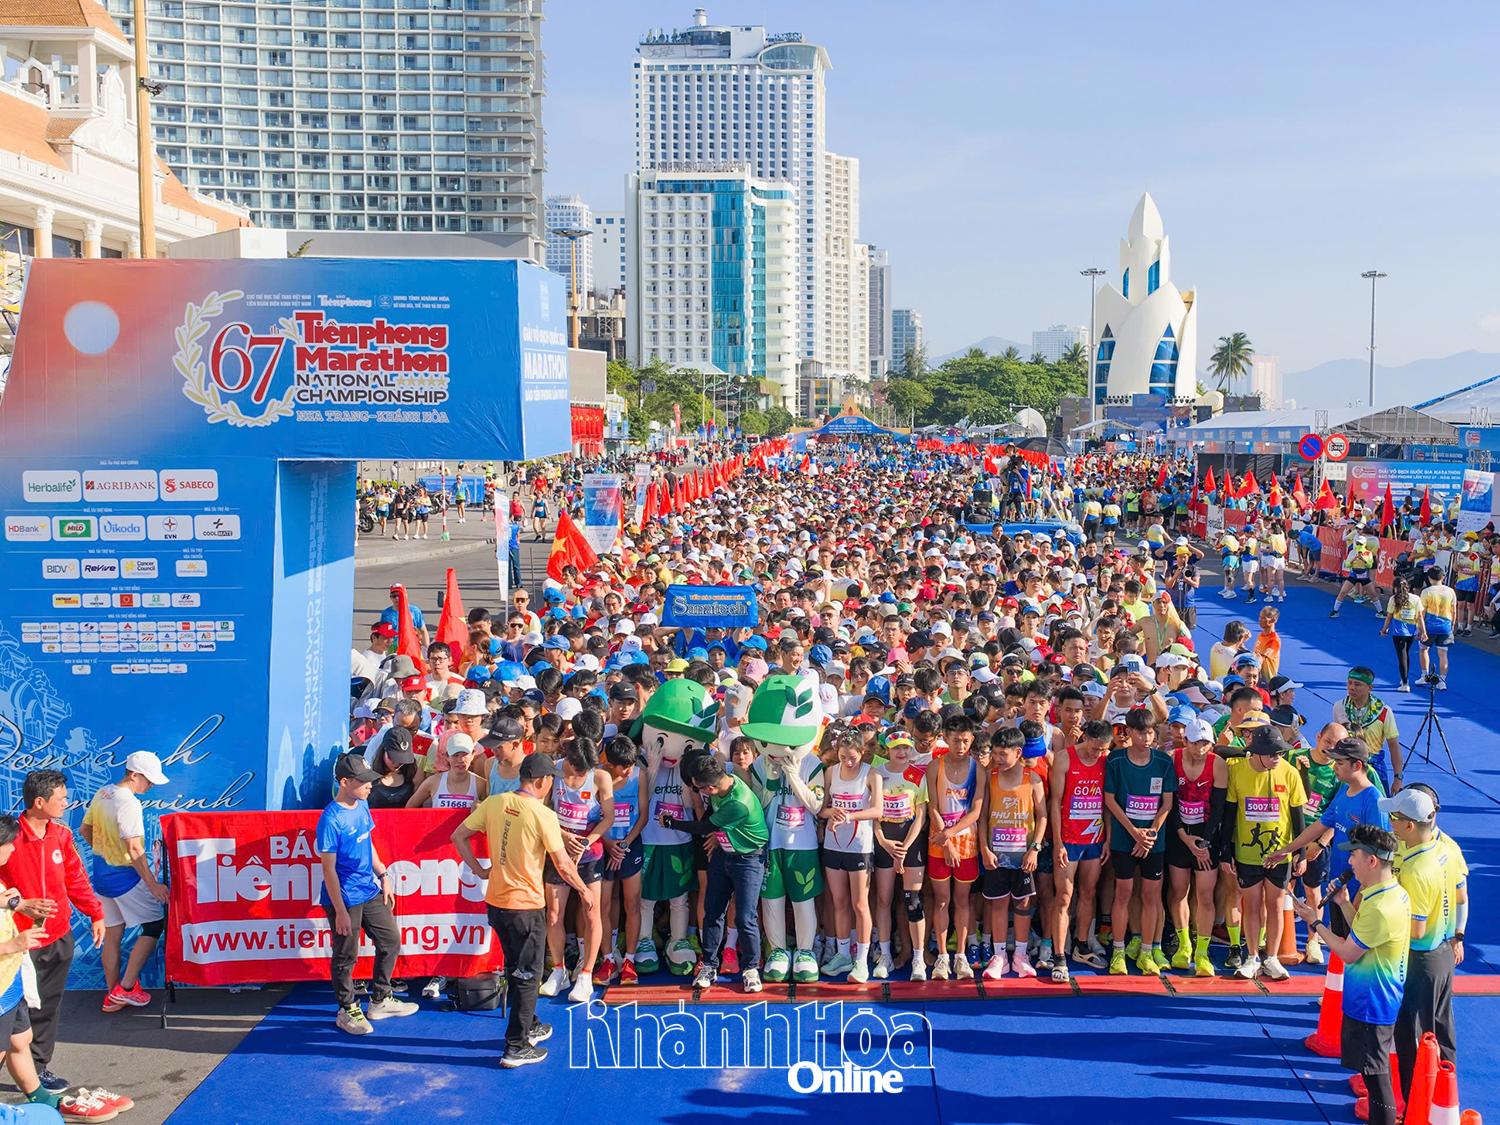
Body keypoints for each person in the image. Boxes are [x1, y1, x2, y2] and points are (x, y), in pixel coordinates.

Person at [453, 752, 588, 1069]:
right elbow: (564, 865)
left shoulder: (496, 802)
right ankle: (516, 1045)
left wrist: (479, 870)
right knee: (528, 974)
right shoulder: (543, 815)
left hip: (496, 904)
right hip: (525, 907)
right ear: (542, 782)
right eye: (551, 780)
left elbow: (458, 836)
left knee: (517, 967)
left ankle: (531, 1023)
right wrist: (584, 892)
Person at [0, 815, 129, 1122]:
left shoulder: (55, 838)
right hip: (5, 973)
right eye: (8, 845)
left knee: (21, 1039)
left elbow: (9, 897)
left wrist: (18, 904)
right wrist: (13, 945)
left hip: (12, 977)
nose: (12, 851)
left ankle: (42, 1097)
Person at [1290, 824, 1410, 1125]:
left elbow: (1347, 952)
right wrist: (1343, 903)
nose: (1350, 862)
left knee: (1376, 1074)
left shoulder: (1382, 906)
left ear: (1372, 860)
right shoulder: (1383, 894)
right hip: (1374, 998)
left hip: (1372, 1003)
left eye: (1354, 855)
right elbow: (1362, 933)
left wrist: (1315, 923)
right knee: (1372, 1072)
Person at [0, 771, 104, 1093]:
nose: (66, 802)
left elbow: (75, 877)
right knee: (13, 1012)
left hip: (58, 935)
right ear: (40, 801)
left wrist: (95, 913)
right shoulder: (9, 838)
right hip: (17, 942)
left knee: (47, 1006)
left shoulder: (61, 834)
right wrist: (20, 903)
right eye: (61, 798)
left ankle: (39, 1069)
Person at [317, 753, 419, 1036]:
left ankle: (380, 999)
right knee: (345, 955)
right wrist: (338, 910)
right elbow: (328, 871)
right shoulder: (330, 819)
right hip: (344, 898)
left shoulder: (362, 806)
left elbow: (369, 843)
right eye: (363, 782)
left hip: (369, 889)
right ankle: (346, 1008)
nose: (370, 786)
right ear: (345, 782)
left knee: (390, 940)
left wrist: (383, 874)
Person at [658, 752, 770, 993]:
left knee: (745, 917)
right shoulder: (724, 782)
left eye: (699, 789)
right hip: (723, 855)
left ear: (709, 787)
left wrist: (671, 822)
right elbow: (711, 820)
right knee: (713, 911)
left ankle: (750, 968)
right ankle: (709, 964)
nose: (698, 792)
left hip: (749, 859)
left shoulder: (737, 803)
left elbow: (704, 827)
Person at [79, 752, 170, 1013]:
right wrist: (153, 884)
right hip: (125, 878)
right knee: (154, 925)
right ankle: (127, 988)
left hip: (101, 876)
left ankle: (113, 995)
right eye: (148, 780)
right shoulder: (129, 802)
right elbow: (134, 849)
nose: (150, 786)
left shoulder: (103, 793)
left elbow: (85, 831)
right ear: (134, 775)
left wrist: (106, 852)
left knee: (113, 935)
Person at [1383, 788, 1458, 1100]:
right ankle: (1441, 1101)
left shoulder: (1415, 868)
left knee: (1412, 1036)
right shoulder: (1440, 852)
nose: (1391, 824)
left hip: (1419, 959)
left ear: (1409, 826)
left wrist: (1381, 926)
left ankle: (1416, 1105)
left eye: (1394, 819)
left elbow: (1415, 929)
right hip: (1439, 954)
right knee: (1440, 1032)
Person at [1224, 726, 1306, 981]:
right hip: (1247, 853)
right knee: (1252, 905)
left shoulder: (1290, 773)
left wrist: (1301, 853)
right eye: (1272, 754)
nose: (1277, 758)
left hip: (1280, 854)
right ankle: (1252, 957)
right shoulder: (1237, 772)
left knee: (1275, 904)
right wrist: (1226, 853)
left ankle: (1271, 958)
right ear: (1257, 753)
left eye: (1280, 753)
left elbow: (1298, 816)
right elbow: (1228, 816)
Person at [538, 738, 612, 1004]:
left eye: (585, 771)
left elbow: (609, 817)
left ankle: (586, 974)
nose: (581, 774)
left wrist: (586, 841)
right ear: (566, 759)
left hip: (590, 855)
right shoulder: (553, 771)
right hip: (558, 851)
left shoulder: (601, 777)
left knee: (591, 911)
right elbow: (540, 810)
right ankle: (558, 970)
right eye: (577, 769)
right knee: (555, 913)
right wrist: (563, 835)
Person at [1103, 709, 1175, 975]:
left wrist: (1151, 833)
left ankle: (1147, 951)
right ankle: (1119, 951)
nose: (1147, 737)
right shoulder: (1116, 760)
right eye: (1141, 732)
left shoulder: (1164, 762)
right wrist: (1134, 832)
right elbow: (1110, 800)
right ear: (1129, 733)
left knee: (1151, 895)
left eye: (1151, 732)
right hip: (1125, 839)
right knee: (1123, 893)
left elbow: (1167, 802)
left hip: (1153, 841)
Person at [977, 727, 1047, 980]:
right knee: (998, 904)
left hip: (1024, 856)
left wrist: (1035, 849)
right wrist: (984, 848)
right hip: (997, 855)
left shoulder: (1033, 779)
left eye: (1002, 754)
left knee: (1023, 903)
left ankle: (1020, 955)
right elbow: (982, 818)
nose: (997, 758)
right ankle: (999, 957)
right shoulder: (989, 776)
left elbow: (1043, 817)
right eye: (994, 753)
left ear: (1018, 753)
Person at [817, 725, 882, 982]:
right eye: (843, 756)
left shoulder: (871, 773)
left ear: (862, 751)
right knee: (839, 902)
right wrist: (832, 813)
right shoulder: (831, 772)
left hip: (860, 847)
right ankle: (843, 954)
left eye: (852, 756)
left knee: (860, 904)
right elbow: (821, 809)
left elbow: (877, 810)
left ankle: (861, 960)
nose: (848, 761)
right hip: (834, 845)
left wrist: (849, 815)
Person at [1164, 719, 1226, 977]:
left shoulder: (1218, 765)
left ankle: (1202, 949)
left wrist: (1205, 843)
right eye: (1194, 742)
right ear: (1185, 741)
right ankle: (1184, 944)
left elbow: (1219, 807)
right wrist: (1183, 836)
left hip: (1205, 835)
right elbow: (1169, 801)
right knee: (1178, 890)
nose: (1199, 748)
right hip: (1179, 833)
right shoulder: (1172, 759)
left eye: (1205, 743)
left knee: (1205, 894)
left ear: (1211, 744)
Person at [1050, 719, 1110, 980]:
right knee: (1064, 896)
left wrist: (1107, 838)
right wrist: (1058, 842)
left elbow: (1107, 802)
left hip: (1095, 839)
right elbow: (1054, 803)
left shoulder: (1106, 761)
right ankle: (1058, 956)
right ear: (1085, 737)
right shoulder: (1064, 758)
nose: (1097, 753)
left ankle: (1081, 945)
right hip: (1069, 839)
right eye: (1094, 748)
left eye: (1102, 749)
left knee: (1089, 892)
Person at [1331, 667, 1404, 793]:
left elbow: (1393, 745)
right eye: (1349, 683)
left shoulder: (1384, 712)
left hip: (1374, 768)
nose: (1352, 687)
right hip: (1347, 767)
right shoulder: (1339, 707)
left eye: (1357, 684)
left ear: (1369, 688)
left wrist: (1398, 778)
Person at [1380, 574, 1426, 692]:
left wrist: (1384, 629)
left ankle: (1405, 683)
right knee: (1406, 654)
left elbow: (1389, 617)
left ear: (1395, 588)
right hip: (1411, 632)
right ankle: (1404, 678)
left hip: (1398, 632)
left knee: (1402, 657)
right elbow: (1420, 616)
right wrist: (1423, 631)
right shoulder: (1416, 599)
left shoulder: (1393, 599)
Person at [1418, 566, 1456, 688]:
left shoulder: (1426, 592)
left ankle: (1425, 676)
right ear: (1443, 577)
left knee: (1423, 649)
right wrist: (1453, 625)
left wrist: (1420, 628)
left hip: (1429, 627)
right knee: (1443, 654)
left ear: (1429, 578)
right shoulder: (1450, 591)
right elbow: (1454, 610)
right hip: (1445, 627)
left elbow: (1421, 613)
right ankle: (1442, 681)